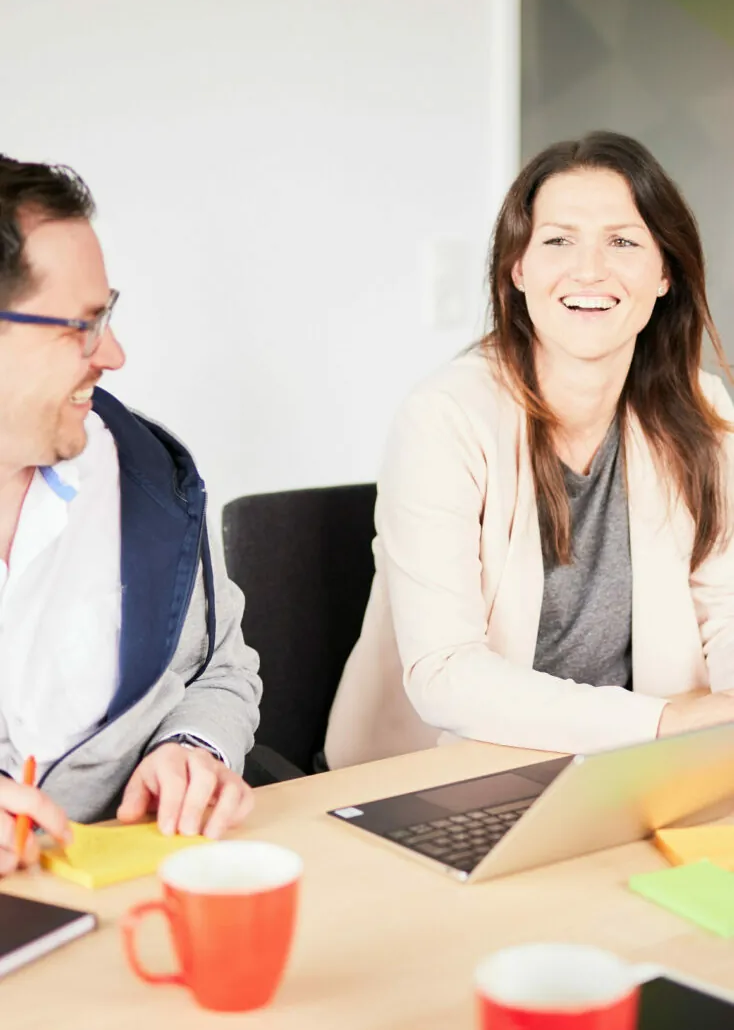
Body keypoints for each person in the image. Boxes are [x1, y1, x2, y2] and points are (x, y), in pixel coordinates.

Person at [325, 130, 734, 770]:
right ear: (519, 269)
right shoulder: (445, 417)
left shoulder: (703, 413)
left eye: (623, 242)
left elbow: (727, 606)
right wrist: (667, 722)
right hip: (435, 776)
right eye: (558, 240)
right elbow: (445, 672)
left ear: (664, 274)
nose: (591, 269)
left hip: (629, 771)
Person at [0, 155, 262, 876]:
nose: (113, 354)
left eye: (106, 317)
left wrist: (193, 747)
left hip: (133, 899)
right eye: (80, 326)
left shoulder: (148, 476)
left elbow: (220, 668)